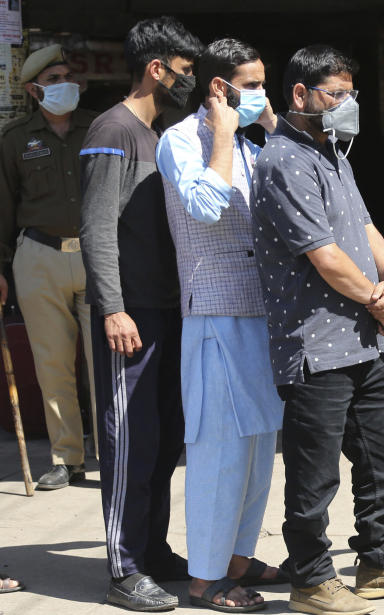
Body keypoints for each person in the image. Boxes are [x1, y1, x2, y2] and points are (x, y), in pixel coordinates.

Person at [251, 44, 384, 615]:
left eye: (350, 95)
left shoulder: (333, 153)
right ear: (300, 95)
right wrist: (376, 299)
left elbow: (363, 228)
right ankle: (311, 580)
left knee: (383, 459)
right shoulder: (284, 160)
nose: (346, 105)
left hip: (361, 340)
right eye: (336, 95)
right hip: (314, 347)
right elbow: (323, 254)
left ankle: (379, 562)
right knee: (314, 479)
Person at [156, 37, 287, 613]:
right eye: (253, 85)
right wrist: (227, 136)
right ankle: (206, 577)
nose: (261, 94)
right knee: (219, 448)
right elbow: (205, 206)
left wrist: (273, 131)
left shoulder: (257, 145)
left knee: (259, 446)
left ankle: (236, 557)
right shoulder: (180, 141)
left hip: (261, 311)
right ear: (220, 87)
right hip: (213, 313)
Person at [79, 16, 203, 612]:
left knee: (164, 438)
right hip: (131, 317)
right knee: (129, 441)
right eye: (185, 70)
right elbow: (97, 228)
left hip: (170, 312)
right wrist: (112, 308)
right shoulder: (114, 129)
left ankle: (152, 550)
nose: (191, 81)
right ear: (157, 68)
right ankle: (124, 568)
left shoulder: (166, 135)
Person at [0, 44, 97, 490]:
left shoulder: (98, 127)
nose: (65, 85)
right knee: (52, 364)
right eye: (54, 79)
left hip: (98, 256)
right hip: (39, 256)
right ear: (35, 90)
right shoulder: (16, 139)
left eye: (67, 76)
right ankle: (67, 458)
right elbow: (5, 207)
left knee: (107, 361)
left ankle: (114, 452)